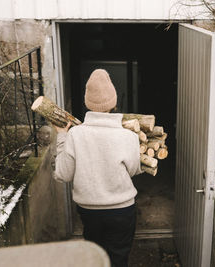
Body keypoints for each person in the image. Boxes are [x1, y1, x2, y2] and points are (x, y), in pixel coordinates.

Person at [53, 69, 142, 267]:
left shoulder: (75, 135)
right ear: (114, 102)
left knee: (96, 261)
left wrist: (61, 136)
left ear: (87, 103)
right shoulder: (128, 136)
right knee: (118, 260)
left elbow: (62, 173)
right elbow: (135, 170)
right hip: (122, 210)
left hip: (89, 212)